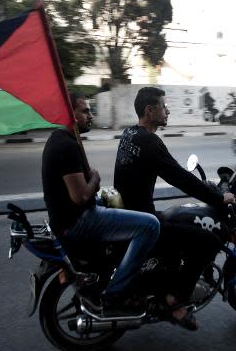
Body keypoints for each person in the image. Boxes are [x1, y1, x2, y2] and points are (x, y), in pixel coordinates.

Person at [114, 87, 236, 331]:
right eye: (163, 106)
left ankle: (158, 289)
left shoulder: (129, 134)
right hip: (143, 221)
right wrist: (219, 198)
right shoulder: (150, 141)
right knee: (208, 241)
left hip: (131, 214)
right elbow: (180, 177)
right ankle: (175, 301)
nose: (167, 111)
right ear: (150, 111)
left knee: (178, 221)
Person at [42, 93, 160, 313]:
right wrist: (95, 179)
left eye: (90, 110)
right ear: (70, 114)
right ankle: (117, 293)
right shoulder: (66, 146)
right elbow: (80, 197)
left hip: (68, 218)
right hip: (78, 221)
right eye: (85, 111)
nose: (91, 115)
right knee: (151, 225)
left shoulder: (59, 139)